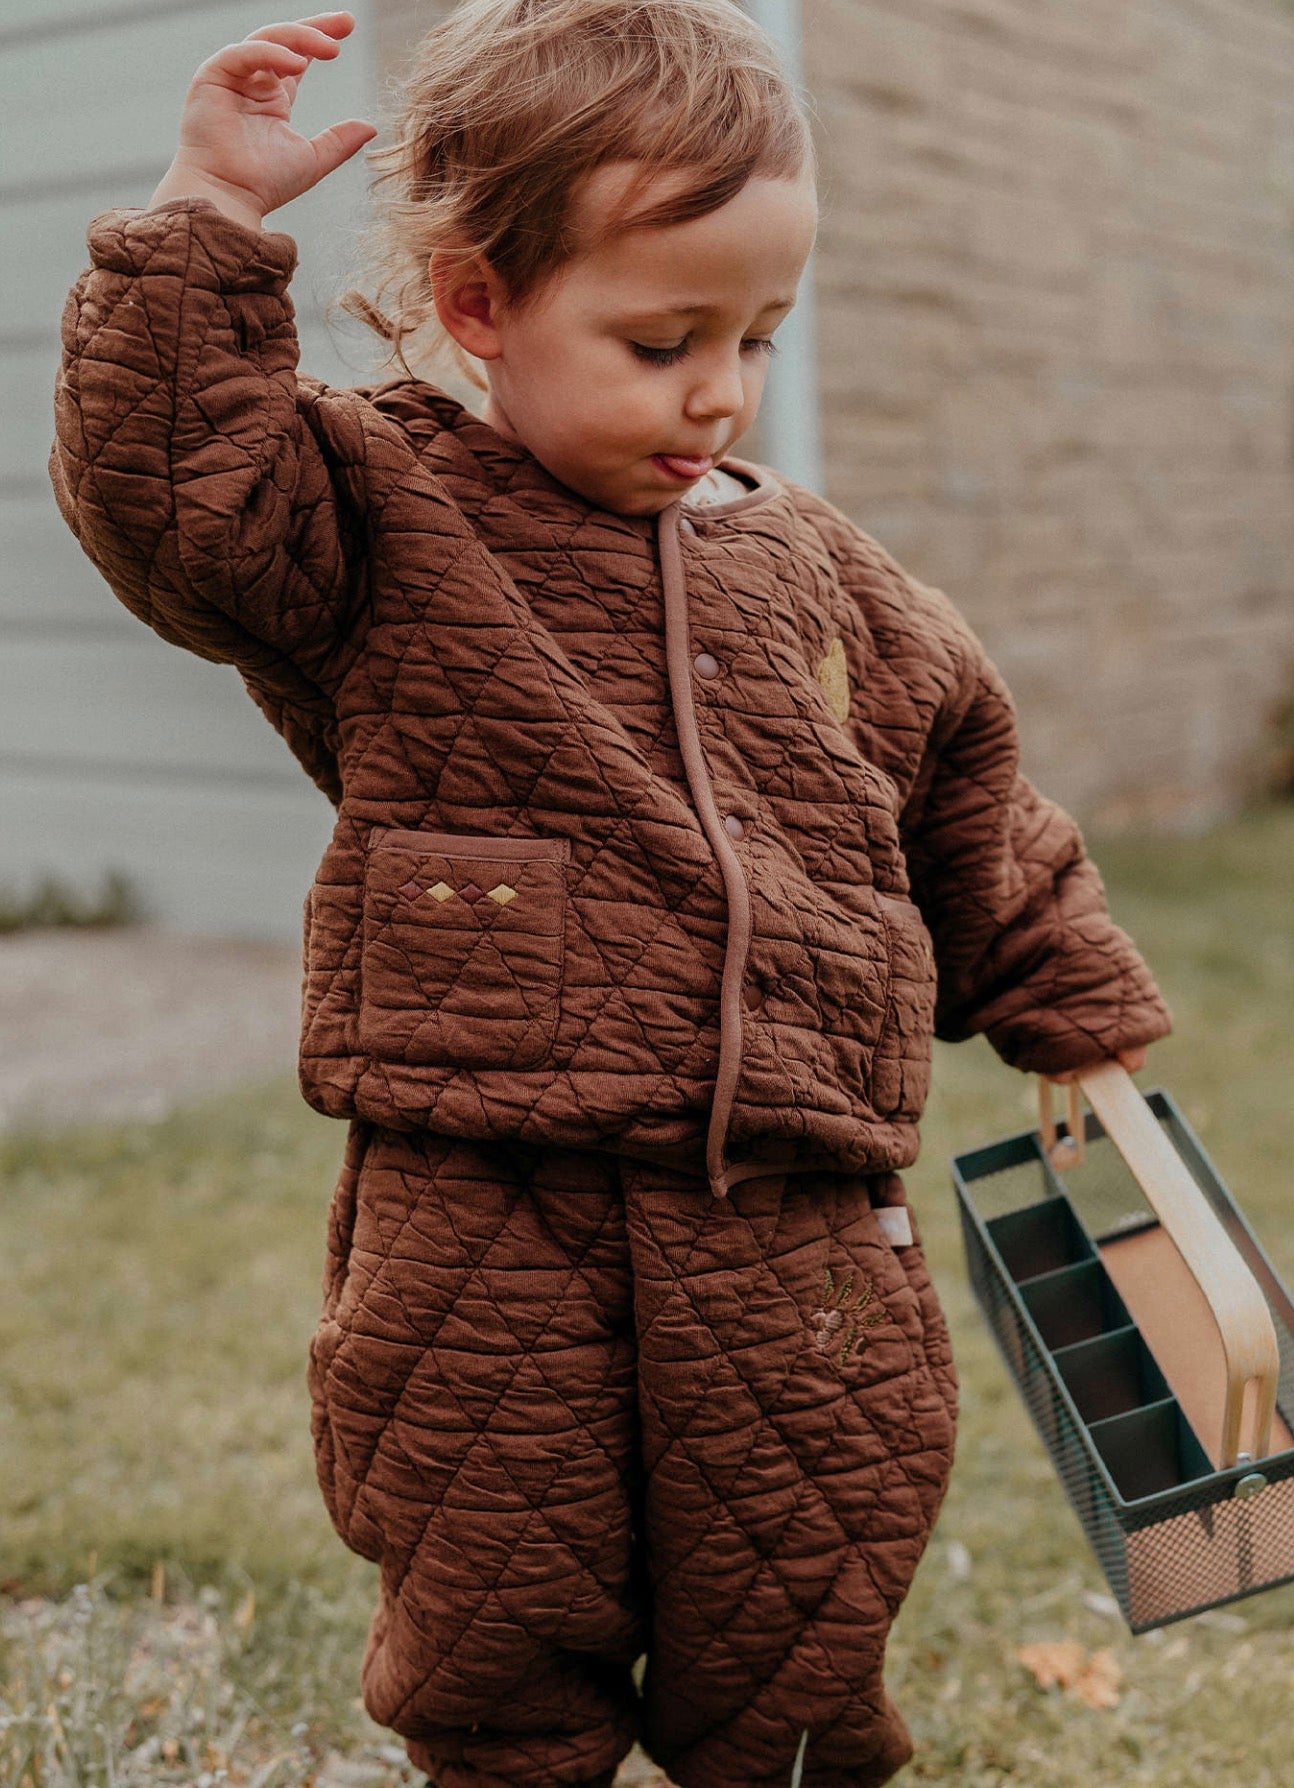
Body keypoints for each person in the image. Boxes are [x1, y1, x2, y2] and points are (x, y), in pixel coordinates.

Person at [48, 5, 1172, 1785]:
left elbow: (966, 786)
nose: (718, 390)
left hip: (797, 1202)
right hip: (487, 1191)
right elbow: (175, 498)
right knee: (491, 1581)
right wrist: (205, 221)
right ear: (481, 304)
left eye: (755, 335)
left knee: (810, 1576)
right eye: (660, 342)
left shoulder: (820, 570)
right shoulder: (384, 509)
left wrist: (1073, 1011)